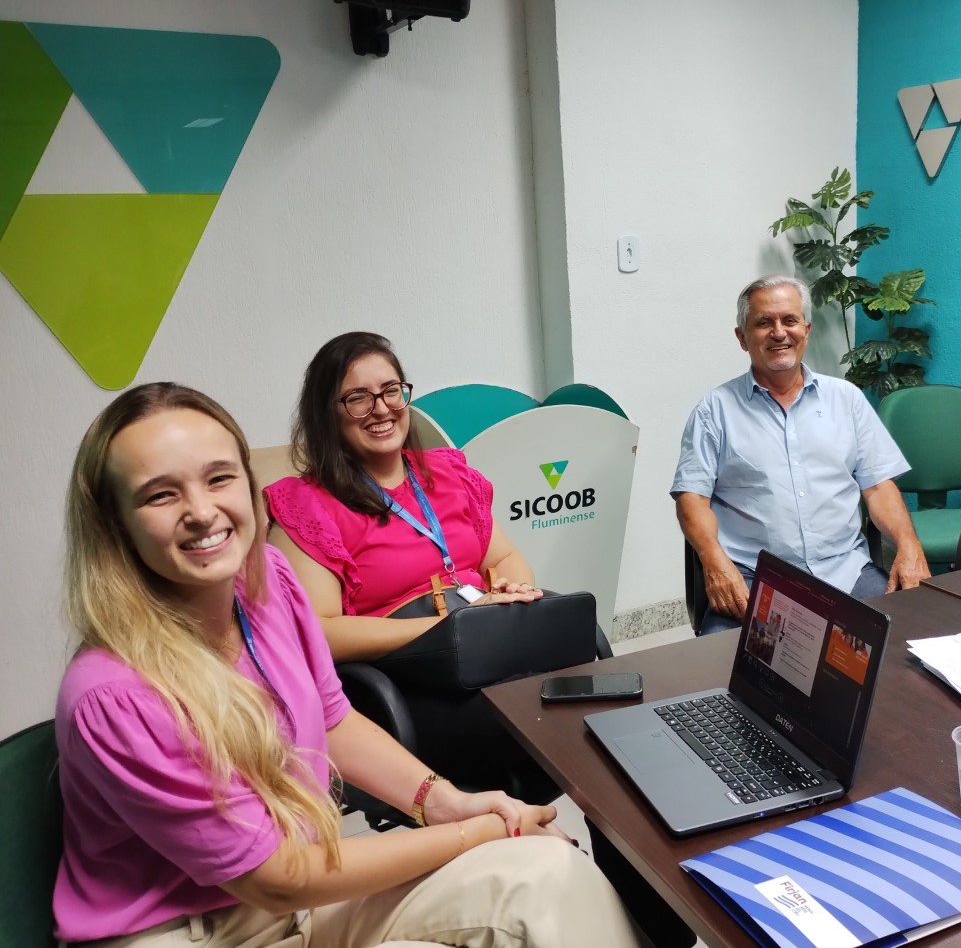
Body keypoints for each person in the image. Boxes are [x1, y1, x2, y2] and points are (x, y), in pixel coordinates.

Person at [54, 382, 642, 948]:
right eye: (161, 495)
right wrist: (479, 831)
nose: (202, 511)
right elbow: (279, 877)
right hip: (198, 928)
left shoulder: (270, 583)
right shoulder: (115, 694)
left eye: (219, 478)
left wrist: (449, 802)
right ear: (114, 523)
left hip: (309, 891)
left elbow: (332, 718)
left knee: (548, 869)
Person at [263, 332, 554, 795]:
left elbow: (503, 556)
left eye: (391, 390)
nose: (381, 409)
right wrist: (445, 629)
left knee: (588, 697)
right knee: (547, 718)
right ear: (328, 413)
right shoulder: (309, 506)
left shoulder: (448, 472)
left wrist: (510, 590)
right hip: (408, 684)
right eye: (358, 398)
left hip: (490, 651)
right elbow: (319, 632)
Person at [672, 274, 930, 635]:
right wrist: (714, 562)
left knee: (909, 644)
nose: (779, 333)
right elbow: (692, 499)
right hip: (754, 582)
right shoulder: (714, 410)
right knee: (728, 667)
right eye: (764, 322)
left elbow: (878, 487)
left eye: (789, 320)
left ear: (806, 330)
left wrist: (908, 544)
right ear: (742, 337)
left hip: (846, 573)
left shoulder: (847, 400)